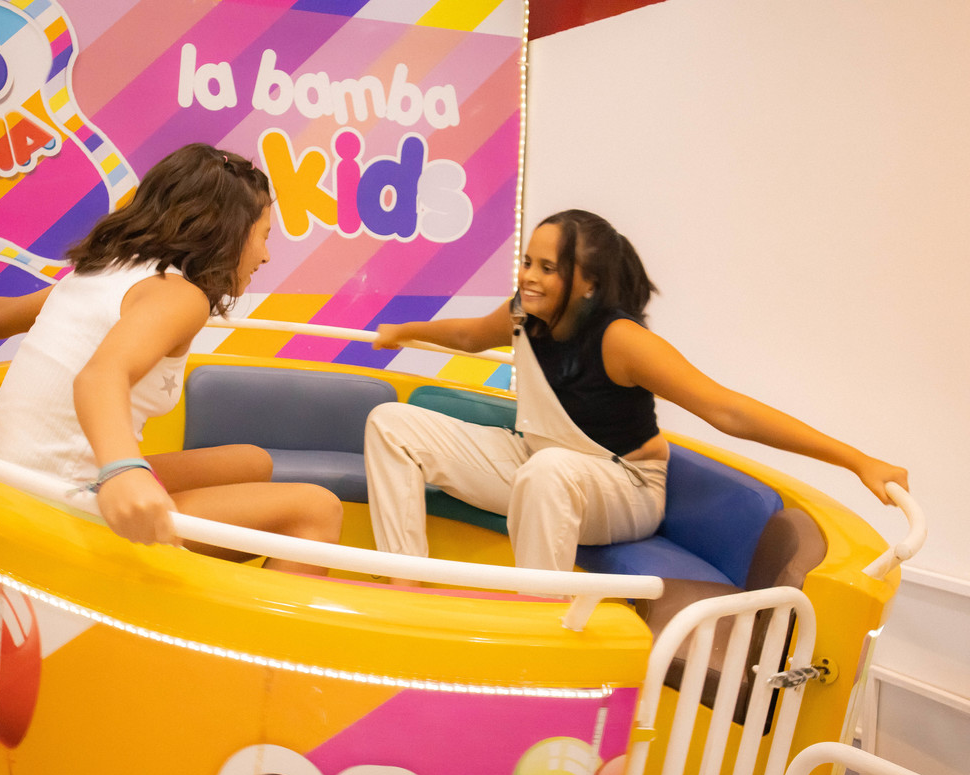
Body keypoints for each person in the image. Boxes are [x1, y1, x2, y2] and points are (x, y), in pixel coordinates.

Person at [365, 209, 907, 580]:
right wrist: (404, 330)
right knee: (392, 423)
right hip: (539, 465)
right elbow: (468, 336)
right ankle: (404, 585)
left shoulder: (622, 340)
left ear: (589, 284)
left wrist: (856, 460)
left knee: (549, 471)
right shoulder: (523, 314)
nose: (529, 277)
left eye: (548, 268)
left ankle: (537, 625)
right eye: (527, 262)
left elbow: (728, 410)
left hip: (624, 486)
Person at [0, 143, 342, 574]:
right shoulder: (181, 296)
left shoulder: (101, 271)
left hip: (20, 472)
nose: (266, 255)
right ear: (227, 230)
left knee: (251, 461)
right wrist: (123, 471)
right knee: (317, 509)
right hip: (58, 500)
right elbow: (101, 375)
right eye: (263, 236)